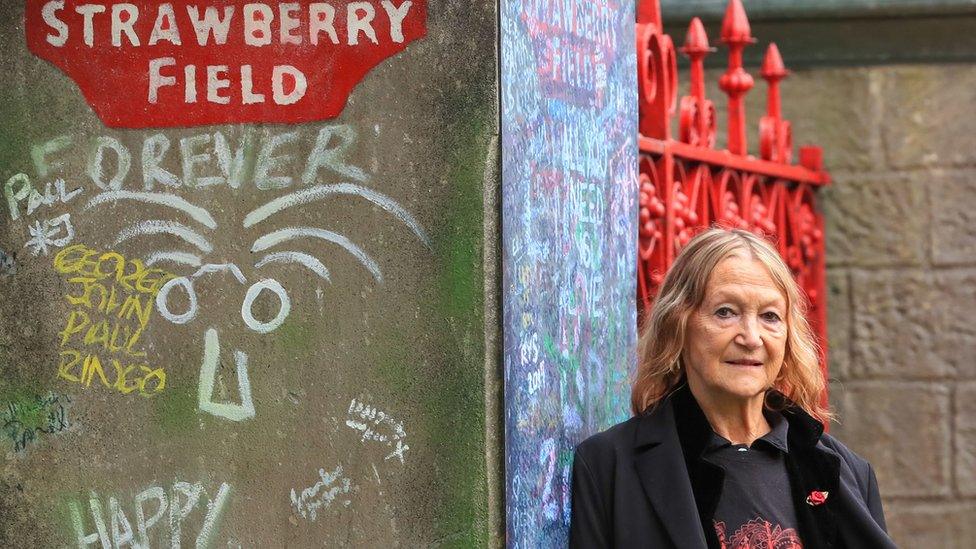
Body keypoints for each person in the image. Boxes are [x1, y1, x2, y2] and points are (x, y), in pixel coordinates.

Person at [570, 227, 895, 548]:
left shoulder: (847, 473)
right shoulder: (609, 465)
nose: (751, 338)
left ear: (787, 336)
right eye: (725, 312)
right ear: (678, 324)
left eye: (770, 316)